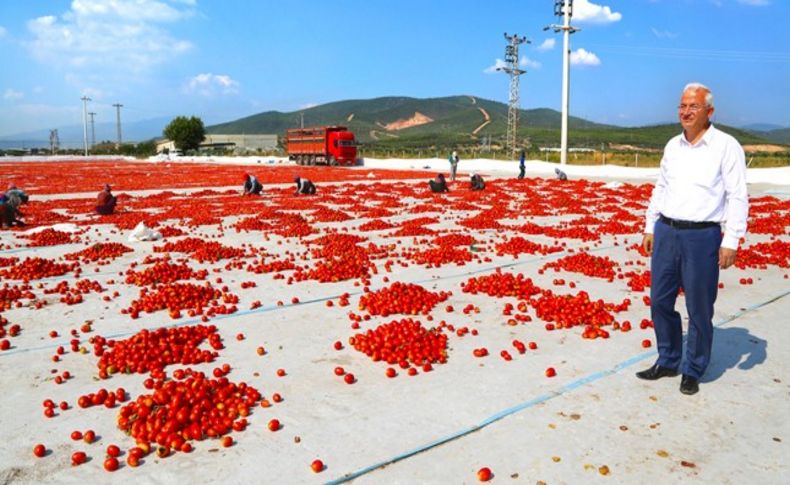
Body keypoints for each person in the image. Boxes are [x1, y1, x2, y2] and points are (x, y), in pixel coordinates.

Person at [636, 82, 748, 396]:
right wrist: (650, 226)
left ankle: (693, 368)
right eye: (682, 106)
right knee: (659, 299)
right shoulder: (673, 146)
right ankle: (669, 358)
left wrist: (732, 239)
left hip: (702, 235)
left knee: (699, 307)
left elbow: (737, 196)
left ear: (709, 111)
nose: (686, 112)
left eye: (693, 106)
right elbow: (661, 187)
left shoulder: (726, 146)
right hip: (667, 231)